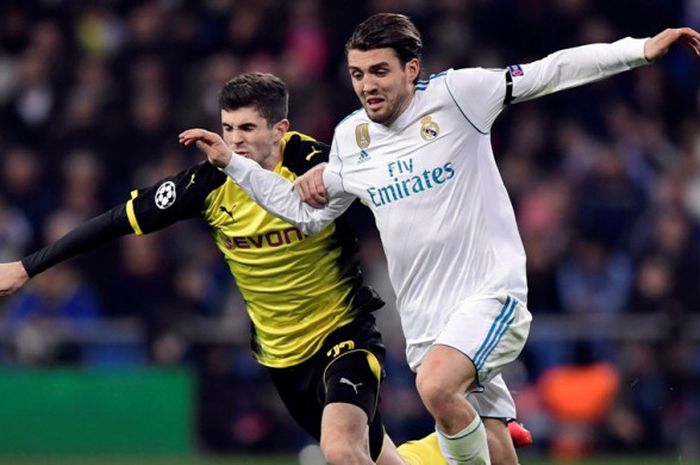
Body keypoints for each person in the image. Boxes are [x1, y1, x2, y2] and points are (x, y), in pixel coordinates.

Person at [179, 13, 700, 465]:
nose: (367, 85)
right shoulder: (350, 140)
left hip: (490, 297)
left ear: (411, 68)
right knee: (493, 445)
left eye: (380, 71)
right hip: (427, 322)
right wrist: (233, 166)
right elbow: (304, 214)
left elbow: (550, 71)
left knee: (435, 388)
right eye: (357, 74)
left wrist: (641, 51)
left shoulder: (459, 96)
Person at [0, 72, 441, 465]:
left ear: (280, 130)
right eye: (228, 128)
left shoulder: (316, 164)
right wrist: (26, 267)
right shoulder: (209, 184)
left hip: (345, 335)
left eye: (248, 128)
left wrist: (341, 175)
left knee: (341, 450)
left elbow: (385, 183)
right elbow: (116, 221)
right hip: (283, 358)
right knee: (380, 457)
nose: (235, 141)